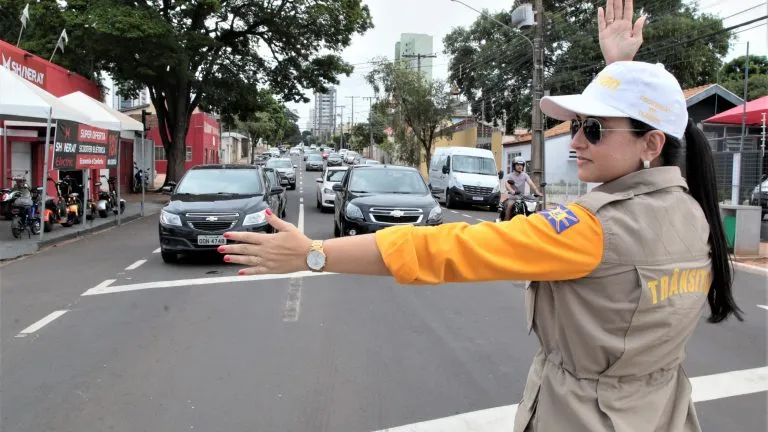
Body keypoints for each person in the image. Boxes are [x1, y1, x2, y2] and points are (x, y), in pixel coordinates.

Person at [217, 1, 743, 430]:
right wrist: (617, 71)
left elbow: (448, 248)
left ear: (651, 143)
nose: (577, 140)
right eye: (578, 124)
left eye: (594, 130)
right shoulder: (693, 212)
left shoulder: (593, 231)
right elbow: (645, 130)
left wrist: (313, 253)